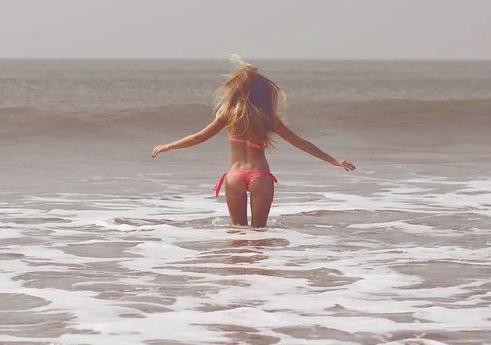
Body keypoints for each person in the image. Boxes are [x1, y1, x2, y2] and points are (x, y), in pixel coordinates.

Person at [152, 55, 355, 228]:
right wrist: (332, 160)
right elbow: (300, 142)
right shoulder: (268, 117)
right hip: (260, 177)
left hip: (234, 176)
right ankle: (258, 273)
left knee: (238, 234)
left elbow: (199, 137)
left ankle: (239, 272)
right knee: (259, 235)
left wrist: (169, 146)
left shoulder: (228, 114)